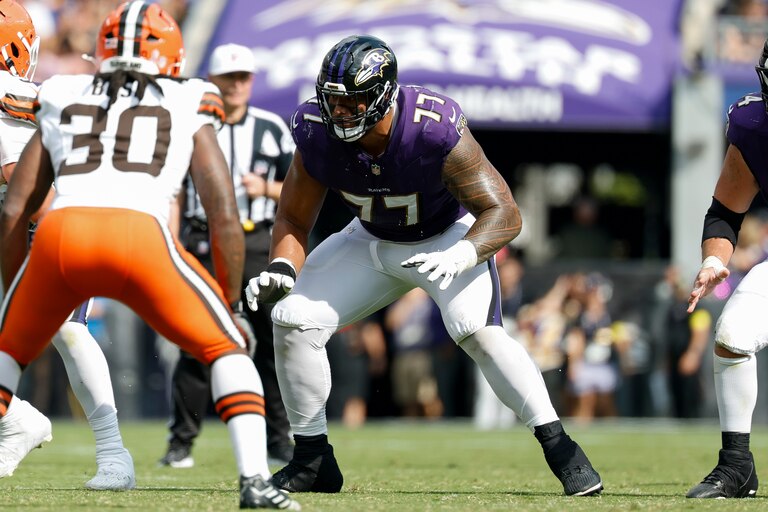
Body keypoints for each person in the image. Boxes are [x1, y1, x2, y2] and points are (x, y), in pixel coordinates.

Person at [246, 34, 603, 497]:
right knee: (291, 317)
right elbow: (294, 217)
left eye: (352, 102)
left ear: (382, 96)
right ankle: (312, 459)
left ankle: (561, 448)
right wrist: (282, 265)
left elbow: (506, 213)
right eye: (332, 101)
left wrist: (462, 253)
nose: (339, 113)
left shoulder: (430, 127)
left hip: (446, 237)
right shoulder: (315, 130)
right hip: (370, 239)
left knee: (476, 330)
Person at [0, 2, 299, 509]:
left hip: (61, 236)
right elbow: (222, 209)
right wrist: (228, 303)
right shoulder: (189, 95)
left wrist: (17, 294)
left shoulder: (62, 91)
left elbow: (15, 206)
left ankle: (94, 445)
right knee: (227, 347)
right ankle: (254, 480)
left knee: (9, 352)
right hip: (141, 236)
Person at [0, 0, 134, 490]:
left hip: (51, 219)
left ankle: (114, 452)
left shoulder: (10, 95)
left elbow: (21, 184)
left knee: (68, 331)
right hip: (26, 217)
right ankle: (15, 421)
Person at [160, 43, 294, 468]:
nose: (236, 85)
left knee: (271, 343)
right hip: (202, 242)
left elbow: (302, 191)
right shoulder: (192, 124)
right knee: (195, 341)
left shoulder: (271, 127)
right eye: (228, 78)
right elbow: (175, 190)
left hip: (257, 243)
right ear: (212, 81)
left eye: (243, 77)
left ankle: (279, 438)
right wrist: (171, 239)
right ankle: (181, 441)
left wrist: (266, 189)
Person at [683, 38, 768, 500]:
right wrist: (715, 259)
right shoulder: (754, 125)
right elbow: (725, 213)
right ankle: (737, 465)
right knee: (732, 335)